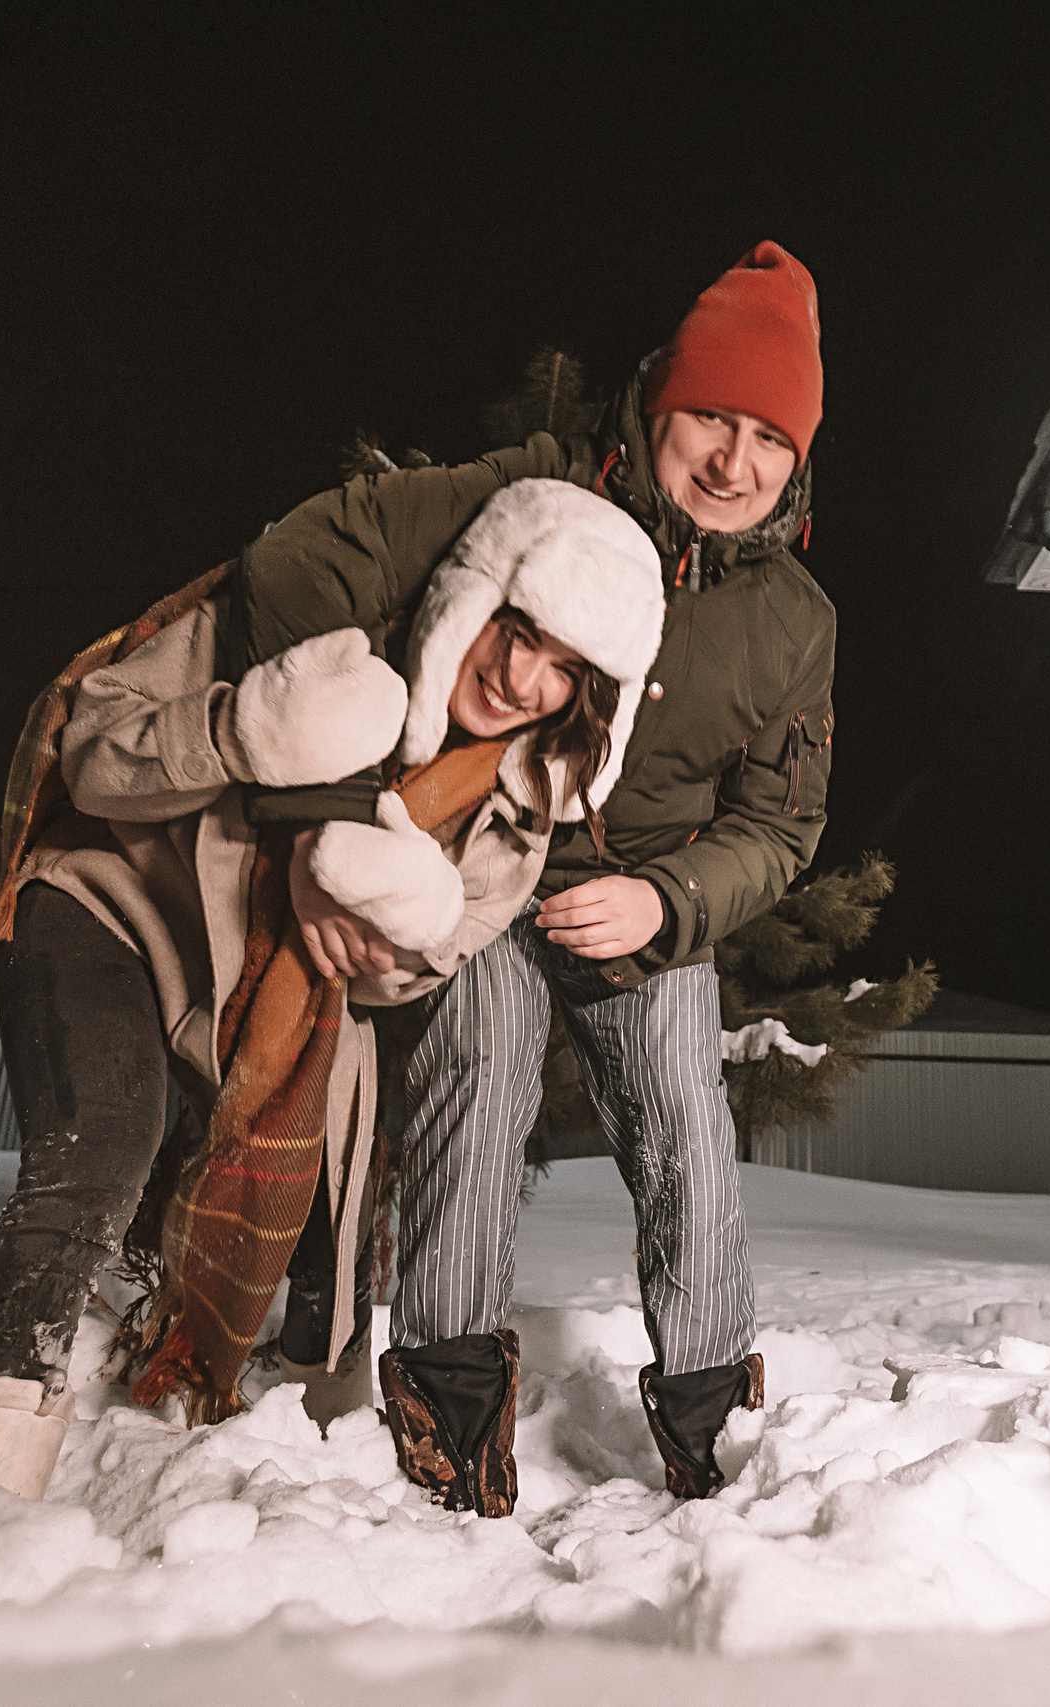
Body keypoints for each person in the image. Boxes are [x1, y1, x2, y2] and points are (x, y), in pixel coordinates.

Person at [0, 478, 665, 1551]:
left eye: (563, 665)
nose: (520, 678)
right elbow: (94, 755)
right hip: (119, 903)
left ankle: (288, 1470)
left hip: (279, 1004)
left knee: (333, 1230)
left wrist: (390, 910)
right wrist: (248, 730)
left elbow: (414, 973)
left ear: (589, 696)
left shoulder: (520, 809)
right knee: (99, 1155)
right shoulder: (308, 639)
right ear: (475, 598)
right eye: (515, 633)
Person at [225, 241, 834, 1515]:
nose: (734, 462)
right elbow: (294, 567)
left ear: (799, 456)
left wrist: (666, 903)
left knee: (683, 1118)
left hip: (648, 901)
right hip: (487, 867)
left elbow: (781, 827)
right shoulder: (540, 492)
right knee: (479, 1062)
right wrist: (328, 818)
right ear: (659, 403)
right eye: (710, 420)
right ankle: (447, 1405)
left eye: (768, 438)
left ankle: (712, 1418)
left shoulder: (795, 621)